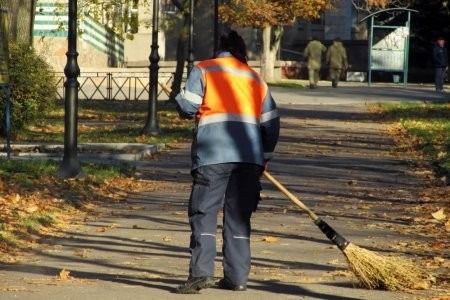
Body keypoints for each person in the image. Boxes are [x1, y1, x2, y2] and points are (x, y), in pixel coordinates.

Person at [174, 30, 280, 294]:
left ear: (218, 49)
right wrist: (263, 158)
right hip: (249, 159)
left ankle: (201, 274)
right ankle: (237, 278)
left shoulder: (204, 69)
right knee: (239, 217)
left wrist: (179, 96)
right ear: (241, 51)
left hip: (212, 155)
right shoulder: (256, 79)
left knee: (204, 212)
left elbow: (188, 107)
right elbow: (271, 124)